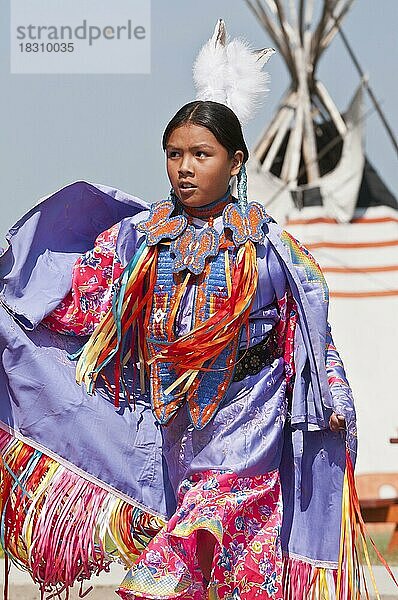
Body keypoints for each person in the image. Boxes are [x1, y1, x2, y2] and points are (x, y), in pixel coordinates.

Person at [0, 19, 390, 600]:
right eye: (174, 154)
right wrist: (22, 312)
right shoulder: (139, 238)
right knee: (219, 575)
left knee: (196, 549)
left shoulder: (272, 250)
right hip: (170, 426)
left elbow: (310, 336)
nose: (185, 167)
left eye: (200, 154)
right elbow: (85, 307)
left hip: (249, 420)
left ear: (235, 162)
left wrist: (329, 399)